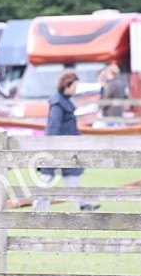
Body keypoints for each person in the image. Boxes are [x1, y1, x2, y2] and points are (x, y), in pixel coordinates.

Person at [37, 70, 98, 211]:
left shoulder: (63, 101)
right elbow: (53, 127)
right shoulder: (58, 104)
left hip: (66, 145)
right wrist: (52, 149)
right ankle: (39, 209)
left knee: (72, 175)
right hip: (56, 146)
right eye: (74, 86)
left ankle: (82, 205)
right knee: (47, 178)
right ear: (67, 85)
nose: (75, 89)